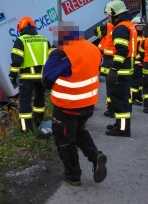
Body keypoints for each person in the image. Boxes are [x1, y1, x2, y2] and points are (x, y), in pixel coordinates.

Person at [42, 21, 107, 186]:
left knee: (64, 138)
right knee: (78, 131)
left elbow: (47, 80)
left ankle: (72, 175)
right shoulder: (93, 48)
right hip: (88, 104)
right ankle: (95, 156)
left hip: (67, 106)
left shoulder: (62, 53)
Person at [9, 16, 51, 134]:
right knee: (40, 100)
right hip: (42, 77)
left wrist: (12, 75)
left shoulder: (21, 40)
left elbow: (16, 60)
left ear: (20, 27)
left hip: (27, 78)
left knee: (25, 103)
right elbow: (53, 57)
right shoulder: (44, 39)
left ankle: (26, 129)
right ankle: (38, 122)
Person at [103, 0, 137, 137]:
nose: (109, 18)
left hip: (120, 71)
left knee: (119, 100)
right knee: (120, 99)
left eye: (109, 15)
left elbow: (122, 50)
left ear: (115, 14)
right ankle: (119, 124)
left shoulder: (121, 28)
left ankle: (123, 129)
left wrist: (114, 68)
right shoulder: (128, 26)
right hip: (126, 69)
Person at [96, 21, 116, 118]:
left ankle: (111, 109)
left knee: (111, 87)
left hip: (109, 57)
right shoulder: (126, 27)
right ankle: (115, 109)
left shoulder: (109, 26)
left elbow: (96, 32)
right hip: (115, 59)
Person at [130, 16, 146, 106]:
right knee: (135, 81)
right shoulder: (133, 37)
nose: (141, 27)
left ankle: (139, 96)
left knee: (140, 81)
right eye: (139, 25)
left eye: (142, 26)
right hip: (135, 61)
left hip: (141, 62)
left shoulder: (143, 37)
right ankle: (133, 97)